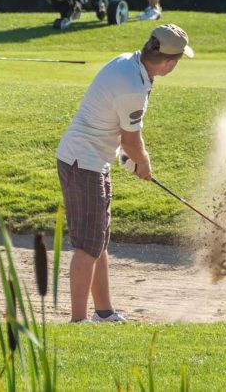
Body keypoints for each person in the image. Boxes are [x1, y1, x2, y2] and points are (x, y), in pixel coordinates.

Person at [56, 24, 194, 323]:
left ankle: (103, 312)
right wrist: (141, 162)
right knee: (87, 245)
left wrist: (124, 156)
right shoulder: (133, 86)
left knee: (97, 240)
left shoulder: (128, 62)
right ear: (170, 62)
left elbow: (113, 124)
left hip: (90, 159)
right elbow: (132, 140)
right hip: (83, 163)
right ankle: (77, 322)